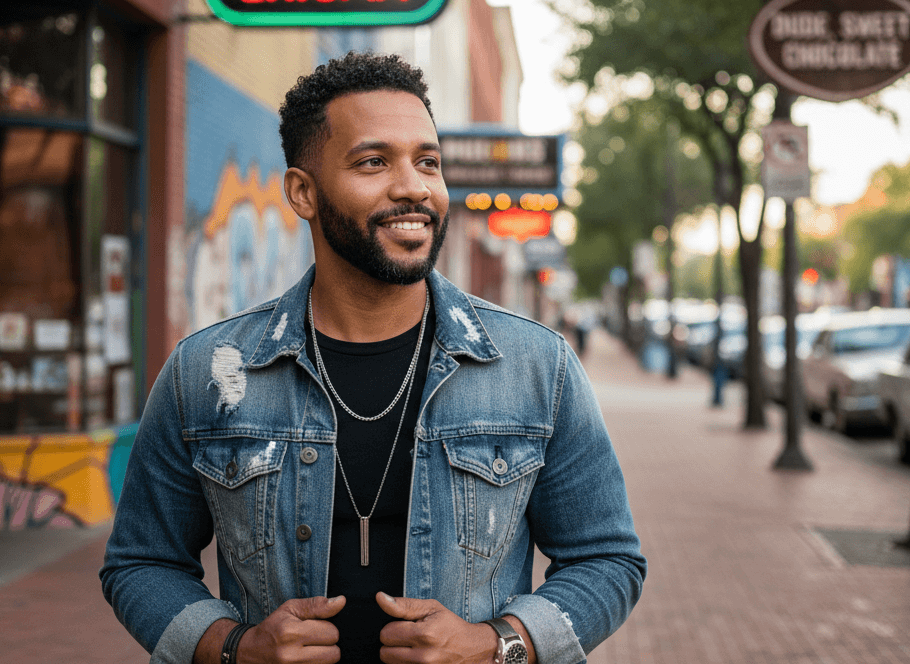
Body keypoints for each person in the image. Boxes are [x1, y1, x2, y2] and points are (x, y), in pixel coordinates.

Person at [101, 52, 645, 664]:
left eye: (427, 162)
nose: (413, 186)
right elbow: (141, 563)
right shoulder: (209, 371)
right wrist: (229, 648)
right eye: (373, 162)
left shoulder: (533, 366)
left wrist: (498, 646)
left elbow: (607, 560)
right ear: (303, 192)